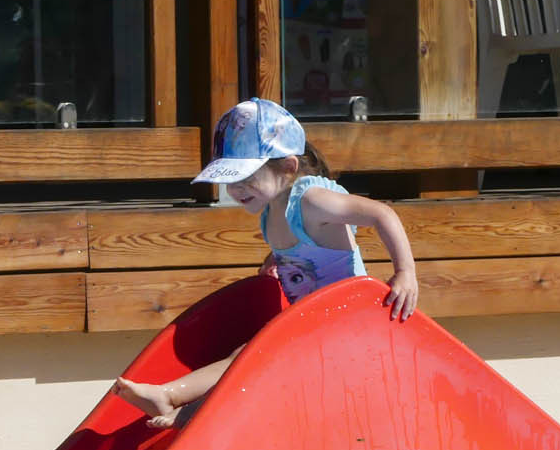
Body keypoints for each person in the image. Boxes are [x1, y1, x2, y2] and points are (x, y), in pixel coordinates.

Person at [113, 97, 418, 428]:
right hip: (313, 322)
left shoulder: (311, 200)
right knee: (246, 354)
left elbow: (381, 213)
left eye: (246, 177)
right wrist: (275, 258)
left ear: (288, 167)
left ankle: (182, 408)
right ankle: (172, 399)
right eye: (230, 179)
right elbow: (304, 245)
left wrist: (405, 272)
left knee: (255, 357)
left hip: (347, 325)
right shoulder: (272, 208)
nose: (236, 189)